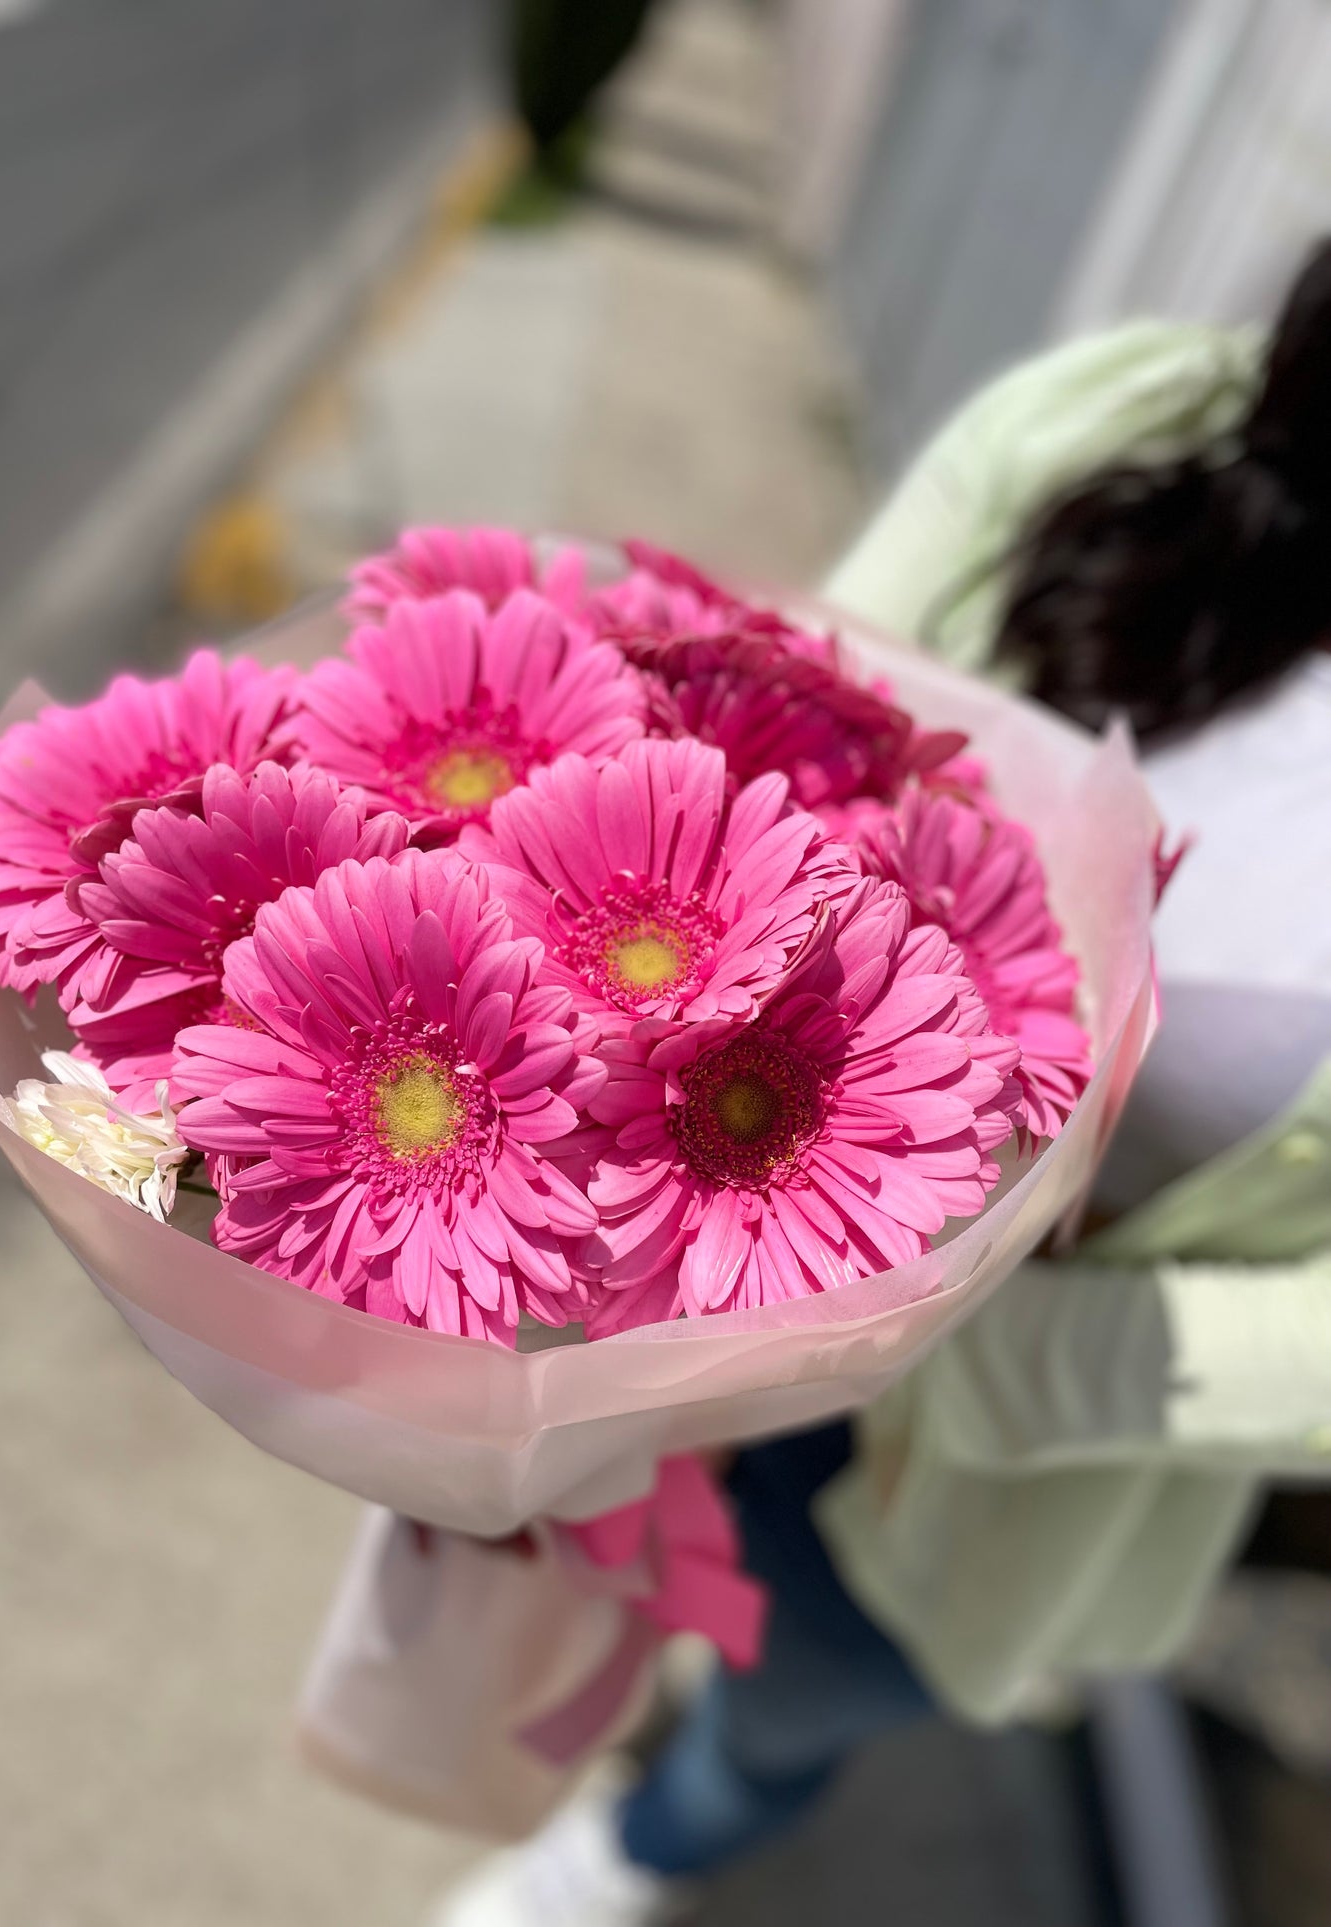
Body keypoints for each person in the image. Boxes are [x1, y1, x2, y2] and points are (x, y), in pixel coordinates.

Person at [431, 241, 1331, 1927]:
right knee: (549, 1565)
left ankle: (627, 1853)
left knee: (783, 1714)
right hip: (665, 1243)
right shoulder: (1136, 418)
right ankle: (571, 1744)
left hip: (1006, 1434)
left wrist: (998, 1346)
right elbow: (766, 709)